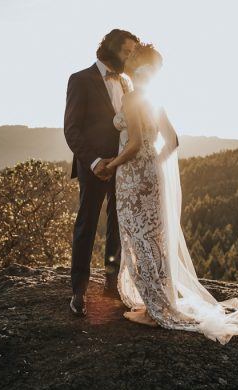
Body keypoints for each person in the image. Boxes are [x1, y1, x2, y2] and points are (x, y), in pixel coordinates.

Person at [103, 43, 238, 345]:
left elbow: (134, 143)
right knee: (155, 239)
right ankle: (159, 301)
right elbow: (172, 140)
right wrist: (156, 168)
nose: (127, 60)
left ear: (137, 68)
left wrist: (113, 165)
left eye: (131, 58)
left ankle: (155, 310)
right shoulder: (154, 100)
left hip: (133, 178)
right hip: (151, 176)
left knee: (139, 238)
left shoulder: (135, 97)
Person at [63, 29, 139, 316]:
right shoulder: (80, 79)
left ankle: (112, 284)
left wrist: (123, 160)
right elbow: (71, 129)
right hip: (93, 166)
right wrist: (95, 162)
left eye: (132, 53)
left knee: (118, 225)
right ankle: (78, 291)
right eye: (126, 51)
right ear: (110, 47)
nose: (129, 57)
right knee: (86, 225)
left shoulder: (126, 82)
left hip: (123, 165)